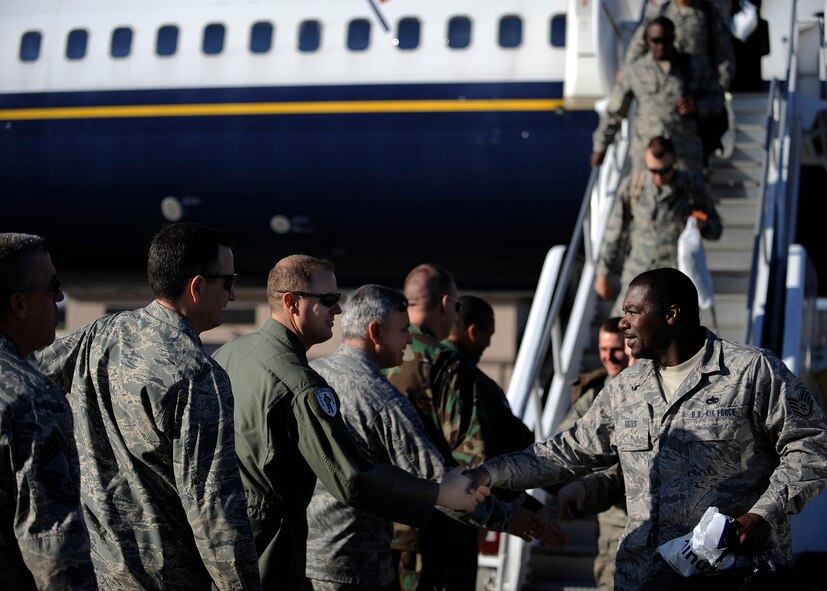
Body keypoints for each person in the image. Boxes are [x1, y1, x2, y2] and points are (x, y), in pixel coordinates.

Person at [464, 267, 827, 590]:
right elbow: (566, 452)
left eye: (633, 312)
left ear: (671, 314)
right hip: (642, 575)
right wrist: (490, 474)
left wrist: (764, 515)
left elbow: (812, 445)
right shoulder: (625, 388)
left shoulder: (751, 371)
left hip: (731, 573)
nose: (623, 323)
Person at [212, 256, 487, 590]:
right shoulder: (301, 383)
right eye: (328, 300)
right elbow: (351, 478)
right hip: (274, 548)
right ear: (292, 302)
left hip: (223, 539)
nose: (338, 310)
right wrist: (439, 492)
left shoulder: (229, 353)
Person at [35, 223, 261, 590]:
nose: (232, 295)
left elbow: (24, 372)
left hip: (93, 570)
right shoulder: (198, 375)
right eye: (228, 282)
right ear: (197, 287)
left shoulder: (101, 333)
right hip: (163, 578)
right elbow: (213, 506)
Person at [305, 285, 555, 590]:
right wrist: (508, 518)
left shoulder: (311, 376)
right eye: (403, 330)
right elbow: (439, 484)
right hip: (354, 563)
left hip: (303, 555)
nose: (410, 340)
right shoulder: (383, 401)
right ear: (375, 332)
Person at [0, 233, 97, 590]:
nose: (60, 298)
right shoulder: (32, 400)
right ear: (20, 305)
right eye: (53, 288)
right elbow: (55, 549)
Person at [594, 136, 722, 316]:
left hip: (673, 281)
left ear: (674, 161)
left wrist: (704, 225)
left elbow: (717, 229)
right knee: (623, 325)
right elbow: (614, 231)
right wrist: (603, 273)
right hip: (637, 275)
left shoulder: (691, 187)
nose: (659, 177)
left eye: (664, 170)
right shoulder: (634, 185)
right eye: (653, 171)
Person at [591, 16, 725, 176]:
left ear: (674, 38)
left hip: (684, 154)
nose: (661, 46)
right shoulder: (635, 72)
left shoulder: (694, 66)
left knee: (692, 192)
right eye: (656, 41)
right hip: (646, 156)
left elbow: (718, 99)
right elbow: (615, 112)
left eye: (666, 40)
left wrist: (699, 107)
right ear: (648, 41)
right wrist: (601, 146)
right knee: (642, 191)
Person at [554, 317, 630, 591]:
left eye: (616, 349)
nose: (609, 357)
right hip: (610, 515)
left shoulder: (647, 388)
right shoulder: (595, 392)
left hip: (643, 514)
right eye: (603, 349)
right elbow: (564, 441)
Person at [444, 295, 535, 459]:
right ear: (473, 332)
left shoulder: (421, 367)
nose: (488, 344)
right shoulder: (479, 384)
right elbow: (518, 439)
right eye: (488, 335)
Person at [623, 0, 734, 92]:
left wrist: (717, 89)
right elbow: (638, 46)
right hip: (664, 89)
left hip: (698, 90)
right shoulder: (661, 11)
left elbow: (724, 55)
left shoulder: (709, 14)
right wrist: (627, 76)